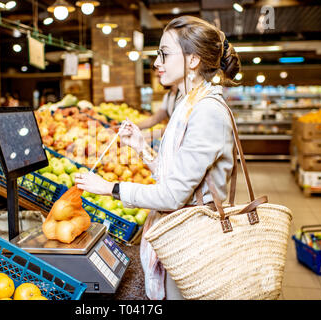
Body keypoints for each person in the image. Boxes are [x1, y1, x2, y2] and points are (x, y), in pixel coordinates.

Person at [74, 15, 240, 300]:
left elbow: (173, 195)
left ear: (193, 60)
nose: (157, 63)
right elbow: (175, 174)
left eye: (164, 53)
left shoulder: (207, 111)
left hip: (192, 241)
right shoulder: (188, 104)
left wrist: (109, 188)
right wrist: (141, 147)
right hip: (181, 235)